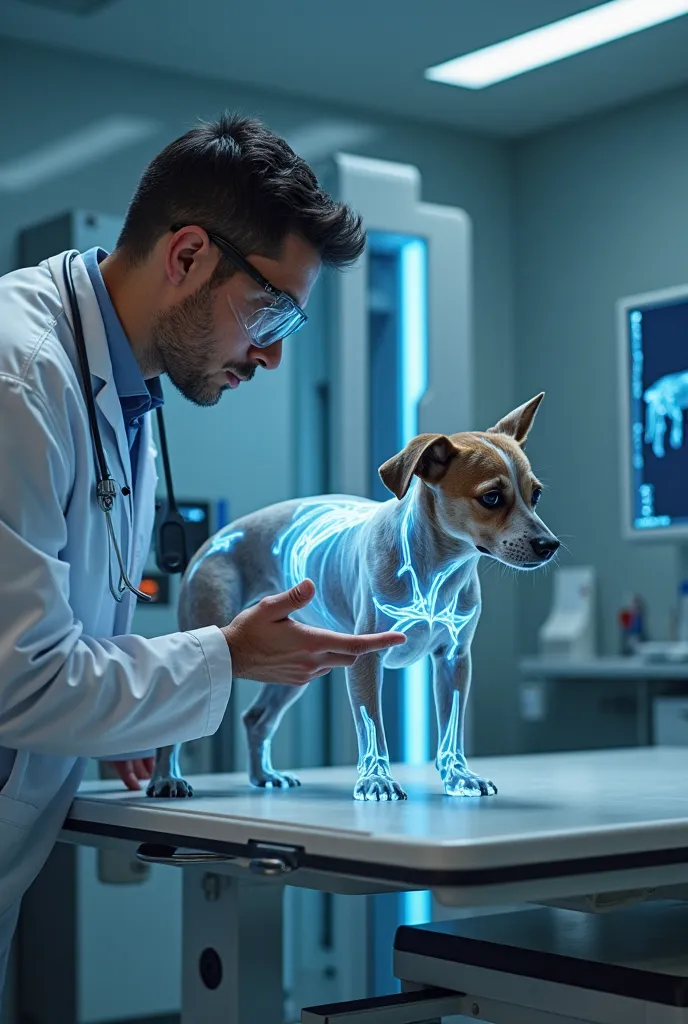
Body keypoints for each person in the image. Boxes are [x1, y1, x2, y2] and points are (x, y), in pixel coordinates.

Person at [0, 112, 406, 992]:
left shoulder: (126, 395)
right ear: (185, 256)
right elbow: (19, 681)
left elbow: (53, 645)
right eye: (269, 311)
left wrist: (116, 717)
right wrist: (225, 657)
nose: (267, 354)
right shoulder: (19, 377)